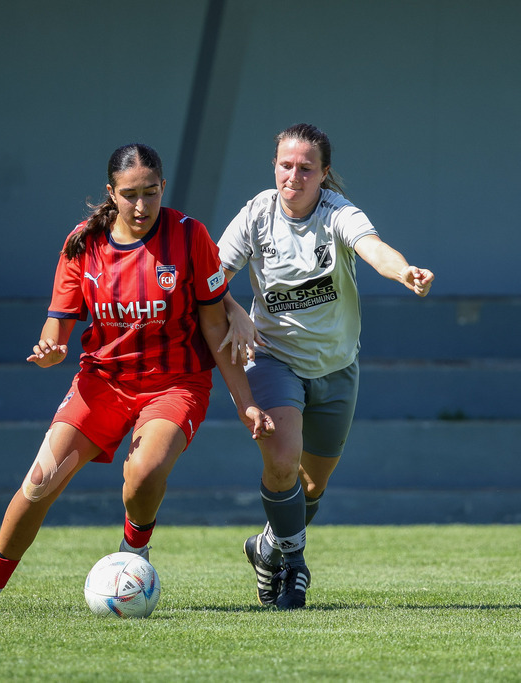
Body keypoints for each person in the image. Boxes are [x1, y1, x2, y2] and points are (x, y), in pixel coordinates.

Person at [0, 143, 275, 613]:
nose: (141, 206)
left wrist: (245, 401)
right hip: (102, 382)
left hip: (175, 382)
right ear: (111, 193)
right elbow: (57, 323)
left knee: (144, 474)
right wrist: (50, 349)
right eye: (129, 195)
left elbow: (214, 324)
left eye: (150, 192)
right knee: (39, 483)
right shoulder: (84, 242)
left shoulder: (189, 236)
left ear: (163, 187)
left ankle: (134, 551)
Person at [217, 123, 435, 610]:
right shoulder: (255, 215)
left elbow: (372, 248)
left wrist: (404, 271)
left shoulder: (338, 213)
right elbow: (211, 277)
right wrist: (234, 310)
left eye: (305, 168)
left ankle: (268, 547)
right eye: (285, 165)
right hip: (274, 359)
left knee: (311, 487)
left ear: (324, 174)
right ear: (274, 166)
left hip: (337, 368)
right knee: (281, 460)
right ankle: (294, 568)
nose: (293, 176)